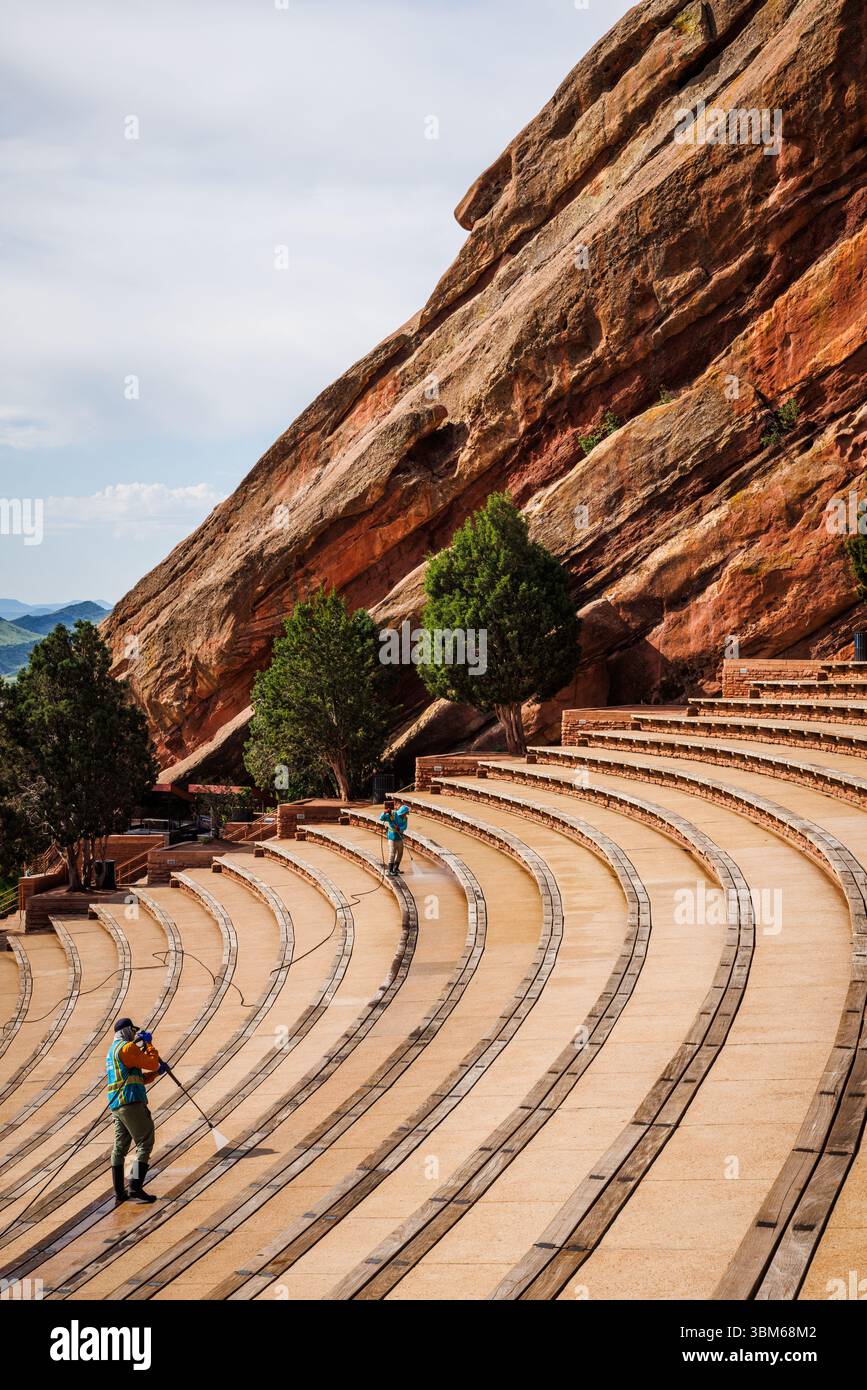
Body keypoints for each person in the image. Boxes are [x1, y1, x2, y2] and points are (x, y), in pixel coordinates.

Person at [106, 1016, 167, 1205]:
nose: (134, 1035)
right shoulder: (127, 1047)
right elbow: (151, 1062)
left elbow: (136, 1077)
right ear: (126, 1031)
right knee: (145, 1141)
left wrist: (156, 1074)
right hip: (131, 1103)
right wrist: (149, 1045)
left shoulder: (112, 1051)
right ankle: (135, 1186)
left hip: (117, 1105)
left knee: (120, 1148)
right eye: (132, 1031)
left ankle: (119, 1193)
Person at [378, 798, 409, 874]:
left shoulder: (405, 818)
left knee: (400, 853)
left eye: (406, 813)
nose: (405, 815)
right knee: (392, 853)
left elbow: (404, 827)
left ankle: (396, 868)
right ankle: (390, 870)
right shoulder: (393, 814)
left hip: (400, 837)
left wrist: (400, 828)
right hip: (392, 838)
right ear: (402, 812)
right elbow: (381, 818)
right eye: (405, 813)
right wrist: (384, 813)